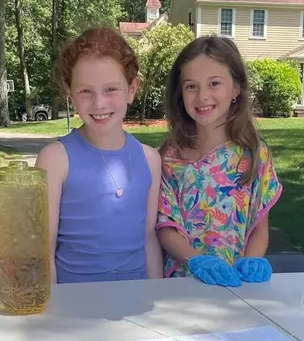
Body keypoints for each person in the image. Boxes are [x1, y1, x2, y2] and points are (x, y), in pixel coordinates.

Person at [35, 27, 164, 283]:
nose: (99, 103)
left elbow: (149, 237)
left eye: (110, 90)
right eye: (86, 91)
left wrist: (157, 297)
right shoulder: (55, 159)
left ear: (132, 89)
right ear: (69, 91)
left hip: (135, 304)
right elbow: (42, 252)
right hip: (75, 306)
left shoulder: (150, 160)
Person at [156, 36, 283, 287]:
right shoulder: (169, 156)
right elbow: (165, 227)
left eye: (214, 83)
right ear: (180, 94)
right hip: (181, 284)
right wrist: (195, 261)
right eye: (191, 86)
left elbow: (259, 226)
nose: (203, 96)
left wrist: (252, 261)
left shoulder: (255, 153)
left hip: (238, 284)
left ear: (236, 88)